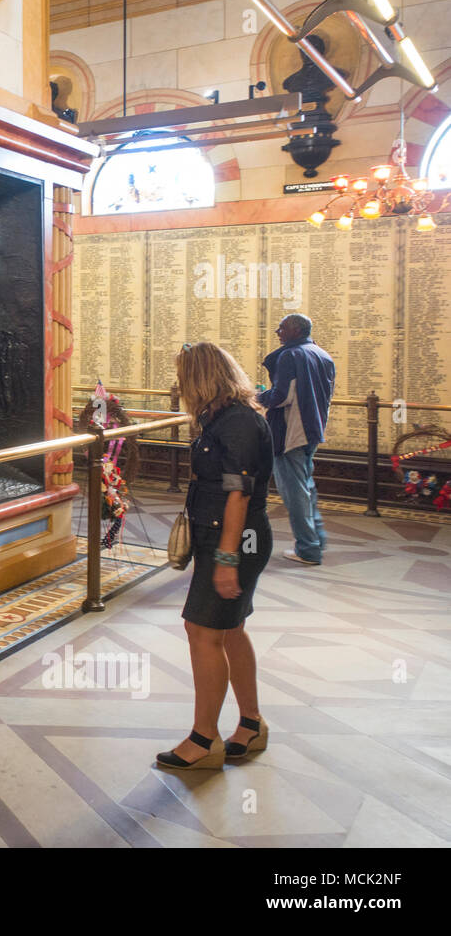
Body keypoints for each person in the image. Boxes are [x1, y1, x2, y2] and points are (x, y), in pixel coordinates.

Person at [158, 342, 273, 770]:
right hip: (227, 537)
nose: (182, 387)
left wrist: (226, 559)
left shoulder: (237, 422)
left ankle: (204, 741)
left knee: (201, 631)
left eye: (185, 378)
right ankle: (251, 724)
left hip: (235, 540)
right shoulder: (223, 418)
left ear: (200, 378)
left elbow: (239, 494)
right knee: (229, 631)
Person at [257, 313, 335, 565]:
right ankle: (317, 540)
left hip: (291, 430)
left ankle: (308, 549)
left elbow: (282, 396)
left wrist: (257, 398)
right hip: (312, 429)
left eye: (282, 328)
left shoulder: (291, 355)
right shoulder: (323, 354)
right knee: (306, 486)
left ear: (295, 330)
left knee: (294, 492)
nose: (277, 332)